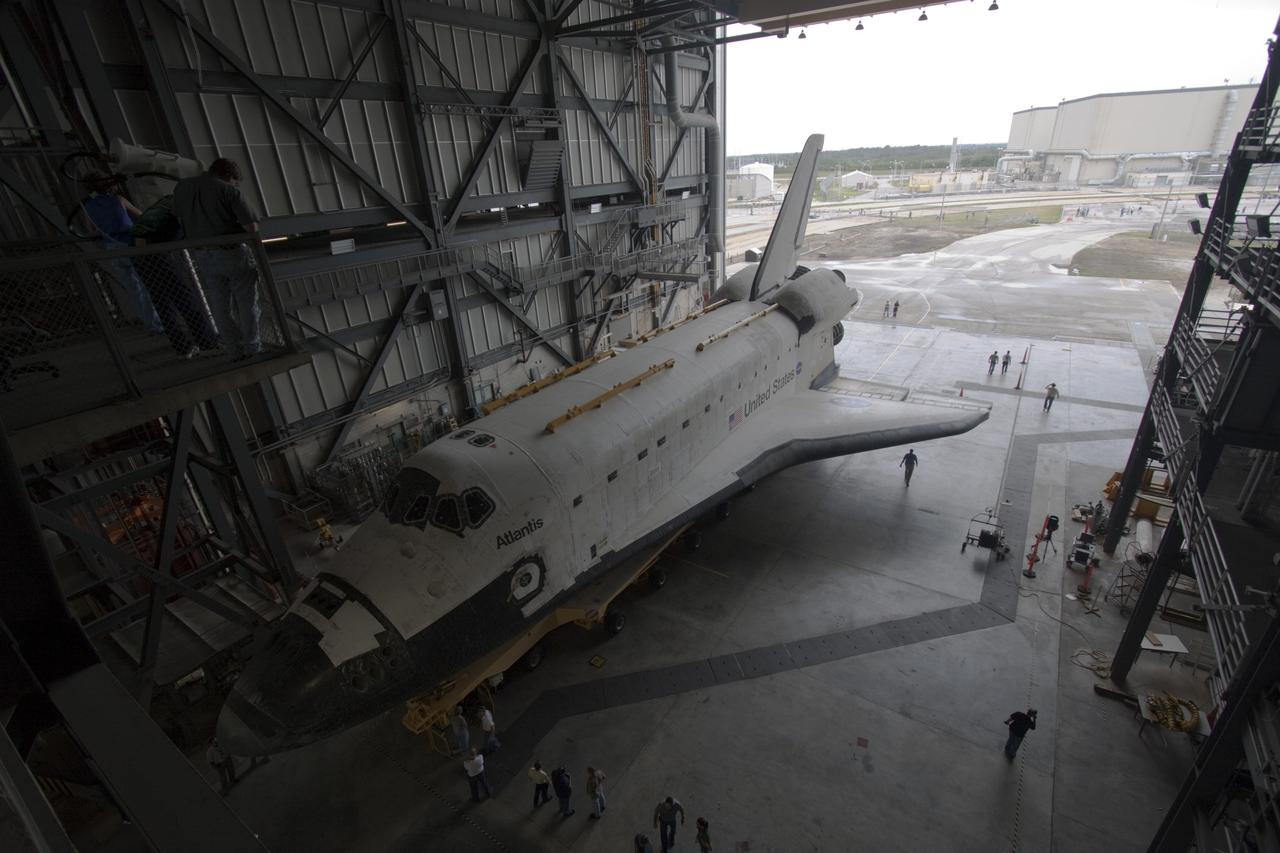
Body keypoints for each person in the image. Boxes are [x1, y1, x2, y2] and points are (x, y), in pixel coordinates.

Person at [173, 158, 262, 360]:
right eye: (235, 181)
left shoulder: (182, 188)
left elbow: (178, 218)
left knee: (219, 305)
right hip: (231, 253)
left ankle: (233, 348)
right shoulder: (228, 190)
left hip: (202, 255)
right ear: (230, 176)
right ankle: (252, 347)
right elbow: (252, 227)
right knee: (246, 304)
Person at [129, 194, 220, 358]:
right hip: (155, 254)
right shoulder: (179, 209)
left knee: (163, 303)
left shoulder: (166, 204)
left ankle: (183, 348)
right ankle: (208, 344)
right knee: (185, 299)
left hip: (143, 256)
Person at [81, 174, 163, 333]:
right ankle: (159, 323)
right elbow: (142, 216)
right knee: (146, 285)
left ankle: (151, 325)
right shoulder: (118, 200)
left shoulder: (87, 206)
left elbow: (91, 231)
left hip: (111, 250)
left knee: (133, 289)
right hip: (129, 245)